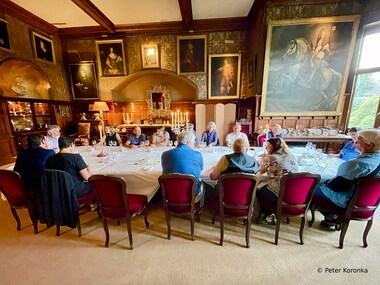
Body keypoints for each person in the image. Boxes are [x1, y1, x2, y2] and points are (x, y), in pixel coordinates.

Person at [314, 129, 380, 228]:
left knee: (312, 187)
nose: (355, 141)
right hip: (369, 202)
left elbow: (337, 187)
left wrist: (325, 181)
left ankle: (331, 218)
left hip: (348, 200)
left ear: (369, 145)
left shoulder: (357, 164)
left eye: (359, 140)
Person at [256, 137, 299, 224]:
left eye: (268, 146)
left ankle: (270, 212)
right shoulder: (291, 156)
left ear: (274, 147)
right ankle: (270, 213)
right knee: (264, 183)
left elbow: (263, 172)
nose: (266, 148)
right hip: (294, 191)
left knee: (257, 187)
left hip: (281, 191)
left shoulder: (271, 157)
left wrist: (263, 160)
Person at [161, 131, 204, 203]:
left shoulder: (165, 154)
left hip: (169, 192)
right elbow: (201, 169)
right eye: (193, 141)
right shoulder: (197, 154)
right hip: (191, 193)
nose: (194, 143)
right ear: (188, 142)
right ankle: (199, 207)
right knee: (203, 184)